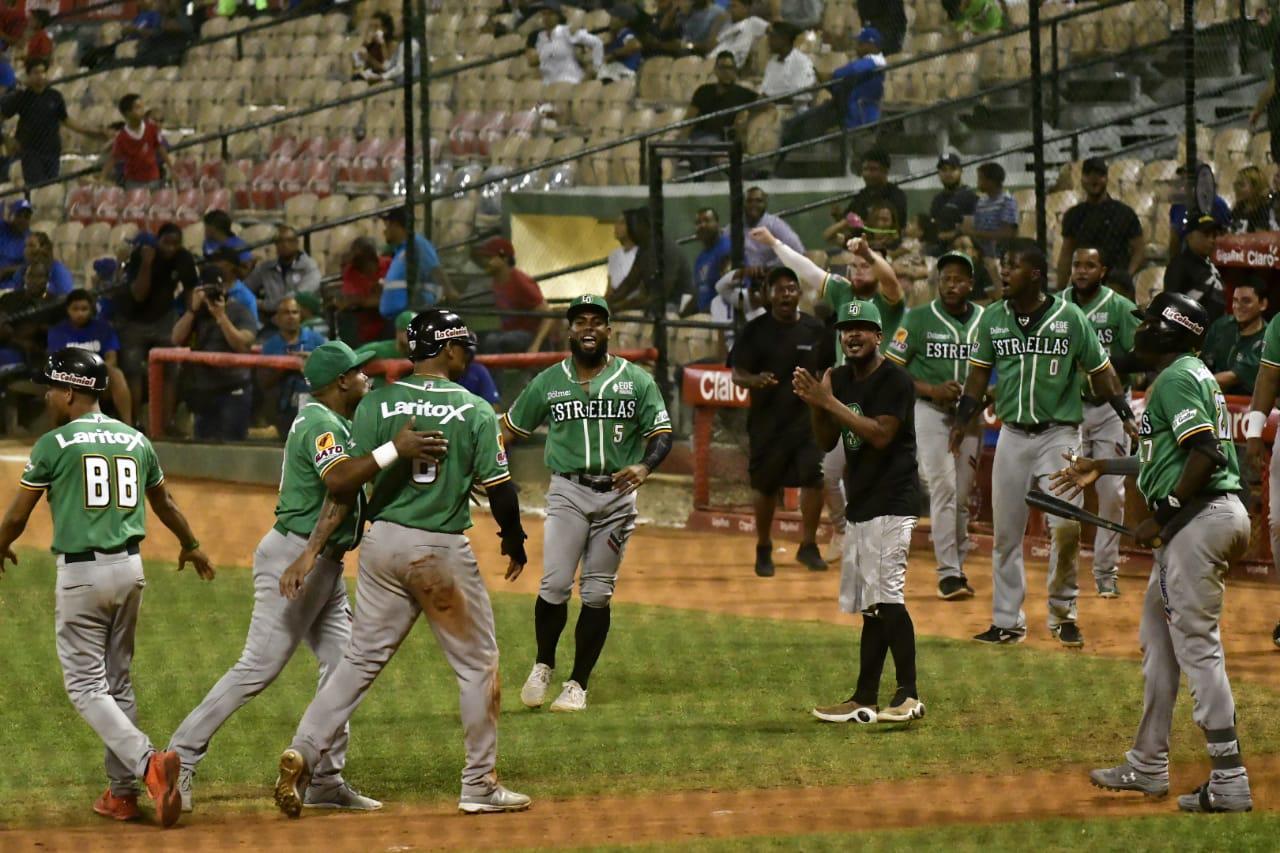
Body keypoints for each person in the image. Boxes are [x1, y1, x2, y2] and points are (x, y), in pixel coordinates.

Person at [273, 309, 532, 817]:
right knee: (478, 664)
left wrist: (313, 548)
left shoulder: (376, 402)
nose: (467, 354)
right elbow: (500, 489)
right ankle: (479, 785)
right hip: (438, 553)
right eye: (463, 346)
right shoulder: (476, 409)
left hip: (381, 546)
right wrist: (514, 540)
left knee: (358, 662)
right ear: (449, 350)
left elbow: (346, 484)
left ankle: (302, 752)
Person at [168, 341, 445, 814]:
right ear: (340, 382)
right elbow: (339, 481)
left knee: (344, 668)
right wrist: (393, 449)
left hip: (324, 565)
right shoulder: (319, 423)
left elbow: (351, 495)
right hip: (295, 558)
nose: (368, 379)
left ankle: (325, 781)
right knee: (258, 668)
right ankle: (179, 757)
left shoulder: (336, 422)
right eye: (360, 372)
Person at [1057, 292, 1254, 814]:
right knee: (1158, 641)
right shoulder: (1185, 374)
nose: (1139, 330)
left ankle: (1230, 780)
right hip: (1208, 517)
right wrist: (1104, 467)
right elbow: (1166, 455)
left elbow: (1207, 453)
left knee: (1199, 649)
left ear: (1172, 330)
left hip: (1200, 519)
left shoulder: (1177, 378)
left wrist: (1161, 515)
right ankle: (1147, 764)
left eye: (1148, 322)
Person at [0, 348, 214, 828]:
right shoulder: (135, 439)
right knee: (117, 681)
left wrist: (0, 545)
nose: (48, 396)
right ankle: (121, 795)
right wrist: (191, 544)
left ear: (72, 392)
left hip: (82, 576)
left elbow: (17, 514)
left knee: (84, 685)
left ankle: (148, 765)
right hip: (130, 571)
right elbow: (164, 501)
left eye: (52, 388)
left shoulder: (55, 443)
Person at [948, 238, 1131, 647]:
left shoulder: (1070, 318)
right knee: (1006, 534)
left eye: (1011, 266)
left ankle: (1064, 613)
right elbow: (978, 376)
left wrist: (1126, 414)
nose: (1003, 273)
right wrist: (962, 420)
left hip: (1060, 435)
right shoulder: (994, 318)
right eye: (1002, 264)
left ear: (1034, 274)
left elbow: (1102, 371)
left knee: (1066, 526)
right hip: (1012, 435)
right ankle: (1007, 621)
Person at [503, 295, 673, 710]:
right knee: (556, 583)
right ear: (570, 330)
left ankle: (578, 683)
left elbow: (661, 432)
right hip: (568, 491)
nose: (589, 329)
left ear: (609, 330)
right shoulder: (548, 381)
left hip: (617, 498)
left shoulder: (637, 380)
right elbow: (507, 431)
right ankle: (543, 664)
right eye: (580, 322)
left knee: (597, 593)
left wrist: (646, 467)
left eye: (597, 321)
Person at [799, 300, 924, 724]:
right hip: (862, 504)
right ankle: (863, 698)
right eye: (846, 329)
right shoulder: (838, 379)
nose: (852, 335)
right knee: (871, 606)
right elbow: (825, 441)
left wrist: (828, 401)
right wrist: (818, 404)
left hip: (895, 500)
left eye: (862, 329)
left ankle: (908, 695)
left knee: (888, 596)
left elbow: (880, 435)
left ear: (878, 336)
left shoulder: (896, 380)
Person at [759, 228, 905, 563]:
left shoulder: (888, 300)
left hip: (881, 400)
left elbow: (892, 280)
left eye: (864, 265)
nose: (857, 270)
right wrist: (775, 243)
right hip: (842, 397)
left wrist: (870, 254)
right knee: (827, 471)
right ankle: (842, 530)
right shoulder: (842, 293)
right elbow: (808, 271)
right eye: (853, 266)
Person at [884, 251, 984, 600]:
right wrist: (931, 389)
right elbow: (891, 368)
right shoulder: (918, 318)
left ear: (971, 283)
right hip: (929, 412)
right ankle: (948, 575)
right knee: (943, 488)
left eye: (959, 279)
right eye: (946, 279)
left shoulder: (986, 321)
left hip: (970, 417)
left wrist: (980, 399)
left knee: (960, 498)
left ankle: (956, 564)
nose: (951, 285)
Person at [730, 268, 835, 576]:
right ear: (768, 295)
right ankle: (764, 547)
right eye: (780, 289)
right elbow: (737, 373)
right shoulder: (755, 330)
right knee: (765, 486)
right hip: (767, 423)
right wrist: (754, 379)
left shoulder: (816, 329)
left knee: (815, 479)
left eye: (791, 288)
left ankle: (808, 545)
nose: (786, 294)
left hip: (808, 421)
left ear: (799, 294)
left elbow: (829, 369)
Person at [1064, 245, 1138, 598]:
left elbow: (1139, 355)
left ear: (1103, 270)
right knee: (1068, 492)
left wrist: (1098, 362)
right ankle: (1065, 573)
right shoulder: (1057, 305)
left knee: (1112, 493)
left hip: (1111, 408)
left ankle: (1106, 571)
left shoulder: (1119, 308)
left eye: (1090, 265)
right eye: (1077, 264)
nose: (1081, 271)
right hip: (1069, 408)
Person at [170, 265, 258, 441]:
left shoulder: (239, 310)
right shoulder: (197, 314)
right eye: (206, 290)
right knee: (205, 450)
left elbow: (242, 345)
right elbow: (176, 339)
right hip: (204, 392)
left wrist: (221, 317)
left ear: (224, 288)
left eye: (215, 289)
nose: (211, 294)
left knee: (233, 447)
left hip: (234, 389)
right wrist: (192, 310)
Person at [778, 27, 886, 169]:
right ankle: (777, 159)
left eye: (861, 44)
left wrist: (830, 76)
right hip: (845, 111)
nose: (857, 47)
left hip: (862, 117)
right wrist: (823, 79)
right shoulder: (863, 62)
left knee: (863, 163)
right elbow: (842, 83)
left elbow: (850, 71)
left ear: (871, 45)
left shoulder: (876, 61)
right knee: (796, 125)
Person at [118, 225, 199, 416]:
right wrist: (147, 264)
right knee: (133, 371)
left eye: (176, 244)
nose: (171, 248)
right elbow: (139, 295)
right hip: (134, 320)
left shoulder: (184, 258)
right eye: (166, 243)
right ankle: (134, 422)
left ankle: (167, 423)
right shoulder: (141, 255)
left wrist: (191, 315)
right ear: (157, 240)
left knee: (171, 371)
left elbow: (190, 291)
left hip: (165, 318)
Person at [1, 57, 102, 184]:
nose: (40, 76)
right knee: (37, 188)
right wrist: (6, 137)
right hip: (30, 152)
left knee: (51, 186)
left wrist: (90, 132)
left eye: (43, 72)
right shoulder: (21, 97)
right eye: (36, 72)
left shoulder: (55, 96)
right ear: (29, 75)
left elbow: (66, 120)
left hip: (52, 150)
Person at [1056, 157, 1145, 292]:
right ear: (1082, 179)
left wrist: (1126, 276)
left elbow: (1139, 249)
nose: (1094, 179)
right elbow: (1066, 254)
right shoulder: (1074, 215)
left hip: (1116, 284)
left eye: (1099, 175)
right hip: (1085, 283)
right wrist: (1059, 291)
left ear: (1107, 178)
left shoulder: (1124, 212)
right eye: (1089, 175)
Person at [47, 288, 133, 424]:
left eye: (84, 309)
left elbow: (112, 358)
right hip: (70, 376)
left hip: (98, 374)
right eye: (75, 309)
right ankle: (53, 432)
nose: (80, 313)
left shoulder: (104, 328)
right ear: (67, 310)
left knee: (117, 374)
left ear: (91, 309)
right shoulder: (57, 332)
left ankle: (129, 426)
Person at [473, 236, 554, 354]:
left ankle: (496, 372)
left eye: (489, 257)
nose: (485, 262)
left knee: (494, 341)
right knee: (473, 340)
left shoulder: (520, 281)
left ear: (504, 258)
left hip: (530, 335)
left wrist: (535, 345)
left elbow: (548, 314)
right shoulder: (496, 280)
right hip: (510, 332)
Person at [260, 297, 327, 437]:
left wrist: (311, 363)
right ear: (277, 318)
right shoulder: (270, 345)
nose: (291, 316)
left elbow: (332, 371)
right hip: (283, 406)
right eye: (286, 313)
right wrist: (286, 366)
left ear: (300, 316)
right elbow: (263, 383)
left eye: (294, 312)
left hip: (313, 403)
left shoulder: (316, 340)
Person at [378, 207, 453, 318]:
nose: (385, 231)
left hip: (412, 314)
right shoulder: (400, 250)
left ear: (395, 225)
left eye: (387, 225)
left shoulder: (417, 243)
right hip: (398, 317)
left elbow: (435, 268)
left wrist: (449, 291)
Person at [1200, 278, 1267, 396]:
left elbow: (1233, 378)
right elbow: (1201, 360)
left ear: (1262, 304)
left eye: (1246, 301)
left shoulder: (1268, 338)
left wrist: (1194, 383)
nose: (1238, 306)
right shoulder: (1220, 326)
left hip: (1246, 403)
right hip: (1211, 397)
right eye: (1235, 300)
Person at [1163, 211, 1227, 324]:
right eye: (1206, 235)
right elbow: (1170, 306)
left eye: (1214, 235)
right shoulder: (1179, 266)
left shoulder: (1212, 265)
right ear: (1190, 236)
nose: (1212, 240)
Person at [687, 50, 756, 151]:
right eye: (723, 68)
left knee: (708, 145)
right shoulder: (703, 91)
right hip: (699, 136)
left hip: (723, 139)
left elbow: (765, 104)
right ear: (715, 70)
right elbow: (689, 118)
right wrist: (682, 139)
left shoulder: (744, 94)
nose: (727, 72)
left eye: (730, 68)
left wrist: (744, 119)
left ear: (735, 71)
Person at [246, 226, 323, 317]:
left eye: (289, 240)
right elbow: (245, 289)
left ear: (296, 243)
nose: (284, 244)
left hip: (302, 318)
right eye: (280, 241)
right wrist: (255, 303)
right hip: (273, 319)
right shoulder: (265, 268)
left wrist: (265, 305)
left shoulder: (309, 267)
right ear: (276, 245)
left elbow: (298, 297)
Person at [102, 93, 171, 189]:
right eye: (138, 108)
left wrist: (172, 169)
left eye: (142, 107)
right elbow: (113, 157)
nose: (142, 111)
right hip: (133, 182)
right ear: (128, 113)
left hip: (154, 180)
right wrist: (102, 178)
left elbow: (161, 150)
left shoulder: (153, 131)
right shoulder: (122, 137)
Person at [736, 186, 804, 275]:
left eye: (758, 201)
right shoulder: (735, 227)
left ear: (765, 203)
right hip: (744, 277)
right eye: (749, 201)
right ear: (743, 204)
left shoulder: (775, 224)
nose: (753, 204)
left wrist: (768, 267)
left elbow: (797, 250)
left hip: (772, 276)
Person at [526, 6, 602, 84]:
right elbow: (532, 60)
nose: (547, 17)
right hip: (549, 83)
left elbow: (595, 44)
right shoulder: (535, 36)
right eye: (544, 14)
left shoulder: (569, 32)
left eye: (550, 14)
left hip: (573, 80)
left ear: (558, 16)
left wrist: (595, 67)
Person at [337, 236, 390, 346]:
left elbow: (394, 297)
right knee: (344, 317)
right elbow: (348, 301)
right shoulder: (351, 271)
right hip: (364, 327)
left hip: (388, 322)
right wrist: (371, 300)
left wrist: (368, 300)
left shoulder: (388, 265)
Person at [843, 149, 908, 237]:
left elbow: (895, 228)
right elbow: (848, 220)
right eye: (865, 169)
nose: (867, 174)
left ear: (885, 171)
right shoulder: (862, 195)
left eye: (873, 169)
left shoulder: (896, 196)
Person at [927, 153, 979, 256]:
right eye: (944, 170)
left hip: (961, 247)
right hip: (938, 248)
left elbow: (969, 230)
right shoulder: (937, 199)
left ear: (960, 171)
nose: (948, 173)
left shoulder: (969, 197)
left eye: (952, 169)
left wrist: (951, 234)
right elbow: (932, 229)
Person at [965, 161, 1018, 262]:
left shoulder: (1007, 201)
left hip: (998, 251)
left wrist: (975, 234)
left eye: (980, 178)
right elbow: (975, 227)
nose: (977, 182)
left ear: (991, 181)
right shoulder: (981, 202)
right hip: (979, 248)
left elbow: (1007, 234)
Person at [354, 309, 413, 390]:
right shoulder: (379, 349)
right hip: (378, 395)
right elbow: (349, 361)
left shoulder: (426, 351)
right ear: (399, 331)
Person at [3, 229, 72, 295]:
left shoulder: (59, 271)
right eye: (25, 246)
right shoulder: (22, 271)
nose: (27, 250)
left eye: (31, 246)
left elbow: (63, 296)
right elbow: (17, 293)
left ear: (44, 248)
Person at [760, 22, 815, 103]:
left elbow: (802, 97)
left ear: (784, 40)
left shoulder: (801, 62)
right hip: (769, 106)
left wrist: (770, 100)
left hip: (790, 110)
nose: (769, 41)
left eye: (772, 38)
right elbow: (765, 90)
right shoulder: (773, 60)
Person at [693, 207, 732, 313]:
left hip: (723, 317)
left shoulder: (727, 250)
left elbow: (729, 294)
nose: (702, 225)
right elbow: (697, 295)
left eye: (707, 220)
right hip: (704, 317)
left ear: (717, 224)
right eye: (698, 222)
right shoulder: (700, 258)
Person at [713, 0, 768, 67]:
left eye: (734, 6)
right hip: (713, 61)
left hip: (729, 64)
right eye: (730, 6)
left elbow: (775, 31)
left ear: (746, 8)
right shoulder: (727, 26)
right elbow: (714, 45)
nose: (731, 10)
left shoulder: (752, 22)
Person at [210, 246, 258, 320]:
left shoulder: (247, 298)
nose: (213, 264)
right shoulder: (208, 288)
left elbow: (253, 328)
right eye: (213, 261)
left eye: (218, 261)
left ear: (230, 266)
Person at [1229, 165, 1279, 233]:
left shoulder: (1265, 209)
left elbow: (1261, 237)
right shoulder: (1239, 208)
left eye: (1241, 185)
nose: (1236, 188)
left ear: (1256, 187)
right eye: (1236, 184)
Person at [600, 5, 643, 80]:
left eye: (614, 17)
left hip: (625, 71)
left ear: (623, 21)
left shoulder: (626, 33)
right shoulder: (617, 35)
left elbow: (636, 45)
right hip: (617, 71)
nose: (610, 20)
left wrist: (613, 54)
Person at [0, 198, 32, 280]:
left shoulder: (31, 239)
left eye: (26, 217)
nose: (23, 220)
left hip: (11, 284)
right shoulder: (2, 228)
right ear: (11, 216)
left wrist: (6, 271)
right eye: (19, 215)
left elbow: (30, 266)